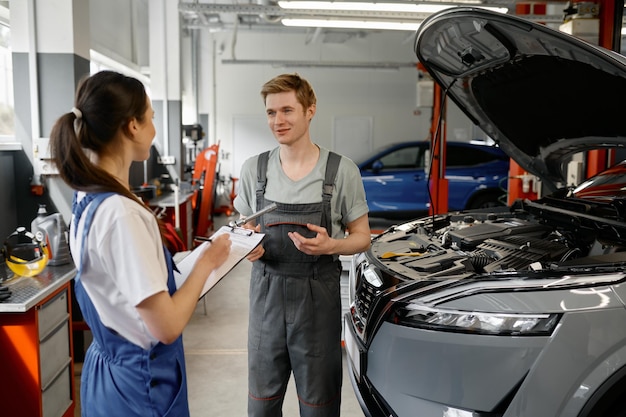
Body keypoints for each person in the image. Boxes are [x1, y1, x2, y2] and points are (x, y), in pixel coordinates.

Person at [49, 70, 232, 417]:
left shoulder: (86, 199)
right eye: (150, 117)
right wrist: (207, 262)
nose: (154, 128)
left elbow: (124, 285)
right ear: (132, 125)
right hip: (140, 385)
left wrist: (189, 260)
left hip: (108, 373)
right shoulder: (122, 214)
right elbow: (166, 327)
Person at [234, 73, 371, 417]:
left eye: (287, 110)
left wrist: (331, 246)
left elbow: (362, 237)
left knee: (318, 405)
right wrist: (247, 245)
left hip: (317, 298)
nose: (277, 121)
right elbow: (243, 227)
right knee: (262, 405)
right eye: (270, 112)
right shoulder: (255, 170)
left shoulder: (341, 171)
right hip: (266, 296)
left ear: (310, 110)